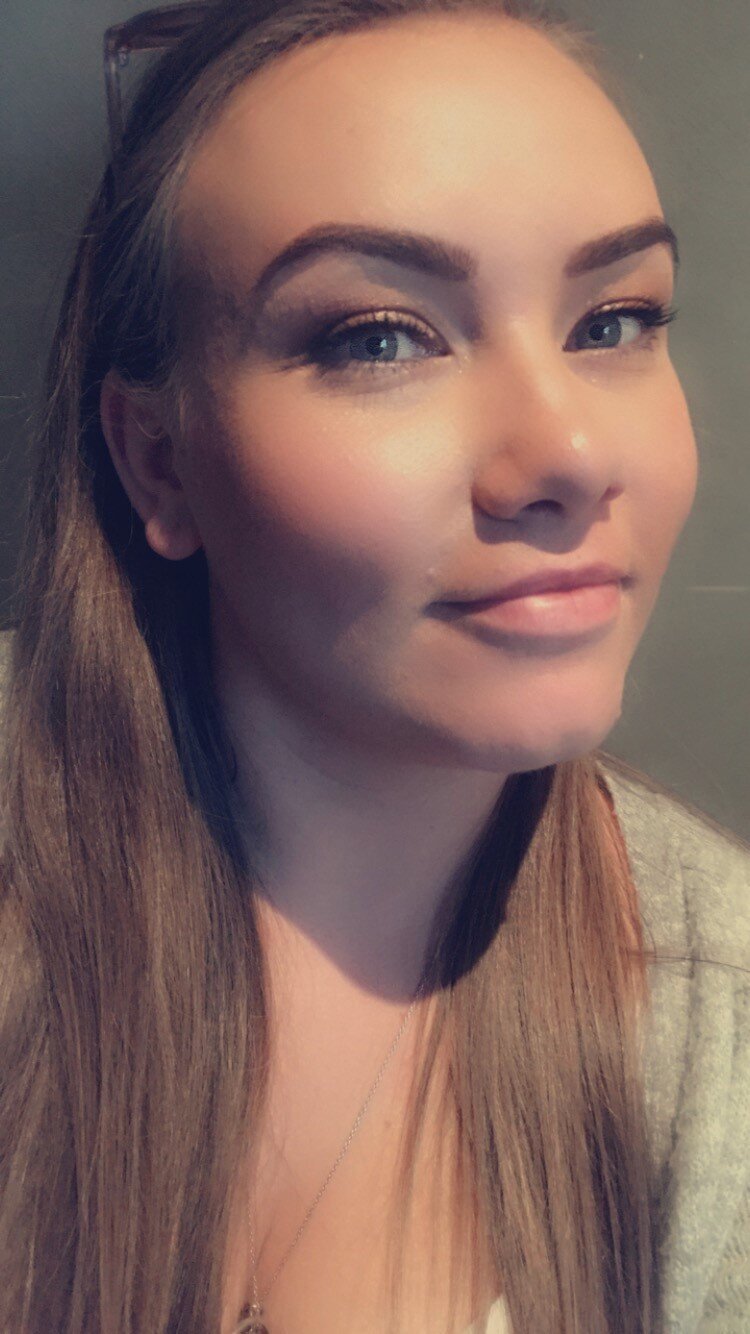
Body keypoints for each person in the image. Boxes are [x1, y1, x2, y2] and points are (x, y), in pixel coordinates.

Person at [0, 0, 747, 1331]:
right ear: (158, 461)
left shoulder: (714, 1014)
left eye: (613, 320)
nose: (572, 456)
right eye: (380, 337)